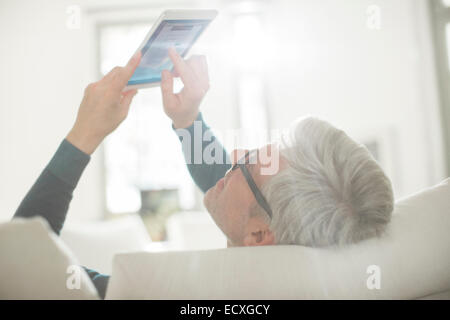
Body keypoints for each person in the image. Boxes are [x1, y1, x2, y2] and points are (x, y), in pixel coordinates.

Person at [13, 48, 394, 299]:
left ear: (260, 235)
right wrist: (188, 120)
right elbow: (232, 190)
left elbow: (18, 264)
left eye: (248, 162)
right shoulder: (288, 266)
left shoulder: (165, 293)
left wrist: (84, 135)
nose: (237, 155)